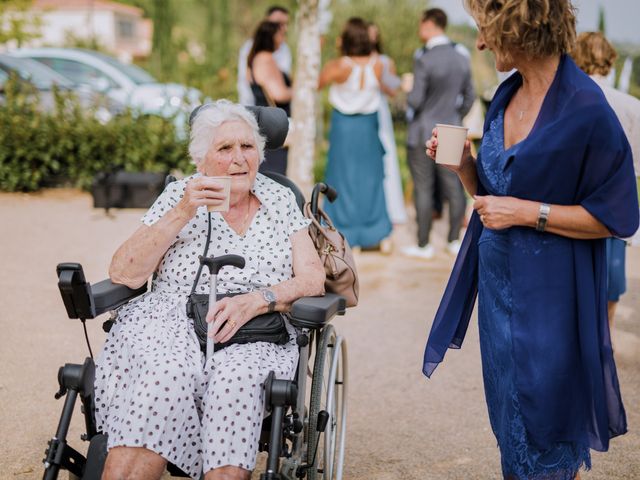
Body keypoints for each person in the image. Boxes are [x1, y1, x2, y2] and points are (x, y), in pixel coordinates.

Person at [423, 1, 639, 478]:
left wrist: (527, 213)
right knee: (511, 426)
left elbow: (617, 216)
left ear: (515, 28)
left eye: (484, 31)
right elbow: (492, 197)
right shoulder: (505, 94)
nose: (479, 42)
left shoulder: (586, 109)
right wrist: (463, 166)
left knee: (545, 430)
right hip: (499, 296)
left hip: (553, 299)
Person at [95, 100, 325, 480]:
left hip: (253, 329)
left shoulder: (280, 198)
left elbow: (313, 279)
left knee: (237, 383)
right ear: (202, 160)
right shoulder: (179, 196)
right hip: (170, 320)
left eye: (247, 147)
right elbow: (125, 273)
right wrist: (184, 210)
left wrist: (260, 299)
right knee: (162, 375)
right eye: (225, 149)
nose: (239, 159)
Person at [572, 31, 640, 329]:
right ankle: (605, 336)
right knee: (612, 279)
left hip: (574, 202)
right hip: (616, 202)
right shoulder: (631, 105)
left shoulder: (569, 100)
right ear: (610, 61)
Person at [403, 8, 475, 260]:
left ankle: (423, 245)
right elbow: (470, 96)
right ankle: (453, 240)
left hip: (423, 131)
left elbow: (415, 100)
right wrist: (456, 117)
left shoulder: (424, 58)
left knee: (423, 188)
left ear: (429, 24)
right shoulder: (461, 57)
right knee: (454, 186)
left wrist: (406, 90)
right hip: (451, 130)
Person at [318, 17, 392, 250]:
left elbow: (316, 84)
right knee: (370, 178)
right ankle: (372, 234)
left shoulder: (338, 66)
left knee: (341, 176)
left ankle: (341, 230)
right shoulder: (379, 64)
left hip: (343, 127)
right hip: (368, 126)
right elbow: (388, 89)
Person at [368, 22, 408, 226]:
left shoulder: (385, 61)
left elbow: (394, 90)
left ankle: (391, 208)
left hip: (379, 108)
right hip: (360, 109)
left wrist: (378, 82)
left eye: (374, 33)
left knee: (386, 153)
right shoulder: (351, 61)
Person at [247, 20, 293, 176]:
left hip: (265, 121)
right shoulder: (266, 59)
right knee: (274, 173)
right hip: (272, 123)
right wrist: (298, 90)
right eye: (281, 35)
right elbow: (279, 94)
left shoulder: (255, 57)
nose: (283, 39)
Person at [237, 5, 291, 106]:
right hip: (258, 107)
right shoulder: (261, 56)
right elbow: (278, 93)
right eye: (279, 24)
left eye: (286, 24)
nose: (284, 28)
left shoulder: (284, 49)